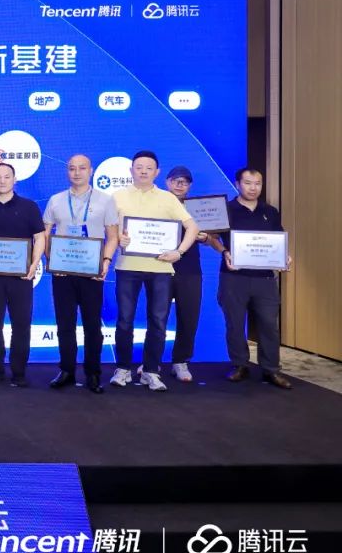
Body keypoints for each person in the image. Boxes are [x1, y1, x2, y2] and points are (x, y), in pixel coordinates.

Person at [110, 151, 199, 392]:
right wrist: (118, 238)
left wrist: (179, 251)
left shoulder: (168, 198)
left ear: (157, 172)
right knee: (124, 321)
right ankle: (123, 369)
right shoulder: (117, 196)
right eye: (139, 167)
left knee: (158, 322)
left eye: (149, 168)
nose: (143, 171)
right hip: (127, 267)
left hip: (160, 268)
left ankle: (151, 371)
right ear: (131, 170)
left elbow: (192, 227)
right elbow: (108, 227)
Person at [42, 155, 119, 394]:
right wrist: (51, 259)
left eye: (82, 168)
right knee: (64, 324)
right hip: (63, 272)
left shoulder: (106, 200)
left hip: (91, 273)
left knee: (92, 325)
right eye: (72, 168)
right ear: (67, 172)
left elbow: (113, 237)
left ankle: (93, 373)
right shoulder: (56, 200)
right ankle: (66, 370)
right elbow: (45, 233)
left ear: (91, 171)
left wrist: (105, 261)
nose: (77, 173)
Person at [210, 168, 293, 389]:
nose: (253, 188)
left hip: (265, 278)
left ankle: (271, 370)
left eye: (257, 183)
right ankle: (240, 365)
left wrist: (285, 256)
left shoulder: (270, 211)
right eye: (248, 183)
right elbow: (211, 237)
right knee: (235, 324)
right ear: (238, 184)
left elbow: (278, 239)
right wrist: (224, 252)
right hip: (233, 277)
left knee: (269, 325)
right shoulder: (227, 210)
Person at [0, 163, 47, 387]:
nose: (2, 181)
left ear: (15, 180)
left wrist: (34, 263)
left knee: (21, 324)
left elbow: (39, 237)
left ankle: (19, 372)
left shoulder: (29, 207)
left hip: (21, 277)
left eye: (7, 177)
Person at [163, 165, 220, 383]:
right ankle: (151, 360)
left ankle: (180, 360)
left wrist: (205, 237)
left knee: (188, 316)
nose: (180, 185)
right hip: (160, 267)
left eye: (184, 182)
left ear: (190, 186)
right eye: (176, 180)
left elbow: (212, 237)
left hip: (190, 269)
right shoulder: (157, 203)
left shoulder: (198, 209)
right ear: (167, 182)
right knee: (157, 316)